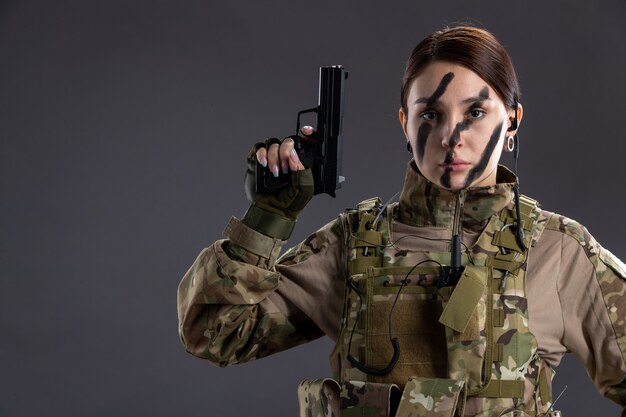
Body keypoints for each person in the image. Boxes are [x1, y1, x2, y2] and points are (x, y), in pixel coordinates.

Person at [177, 25, 626, 417]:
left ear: (511, 122)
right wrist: (267, 220)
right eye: (430, 113)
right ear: (404, 124)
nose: (452, 137)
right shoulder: (353, 246)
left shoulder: (559, 251)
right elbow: (214, 333)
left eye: (475, 112)